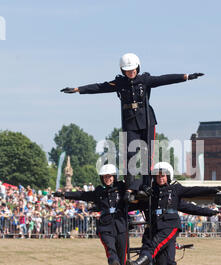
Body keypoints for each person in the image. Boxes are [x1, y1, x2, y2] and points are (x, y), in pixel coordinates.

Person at [60, 53, 204, 187]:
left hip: (147, 120)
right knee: (129, 155)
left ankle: (147, 185)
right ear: (123, 71)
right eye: (128, 70)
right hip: (130, 122)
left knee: (148, 156)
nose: (131, 72)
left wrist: (186, 76)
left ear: (137, 68)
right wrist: (78, 89)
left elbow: (164, 79)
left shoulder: (145, 80)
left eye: (133, 69)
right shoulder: (119, 83)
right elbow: (100, 87)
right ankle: (131, 186)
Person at [125, 162, 221, 265]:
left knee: (159, 253)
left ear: (169, 176)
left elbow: (193, 193)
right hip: (153, 228)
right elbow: (133, 203)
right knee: (162, 262)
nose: (161, 178)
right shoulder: (150, 192)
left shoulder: (175, 189)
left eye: (163, 175)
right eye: (158, 176)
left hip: (169, 226)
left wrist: (213, 191)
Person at [54, 164, 138, 265]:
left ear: (114, 176)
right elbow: (83, 195)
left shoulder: (122, 187)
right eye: (105, 177)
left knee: (124, 264)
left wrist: (129, 189)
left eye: (110, 176)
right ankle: (113, 261)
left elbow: (136, 183)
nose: (108, 179)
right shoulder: (99, 192)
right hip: (106, 226)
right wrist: (64, 194)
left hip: (121, 226)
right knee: (111, 252)